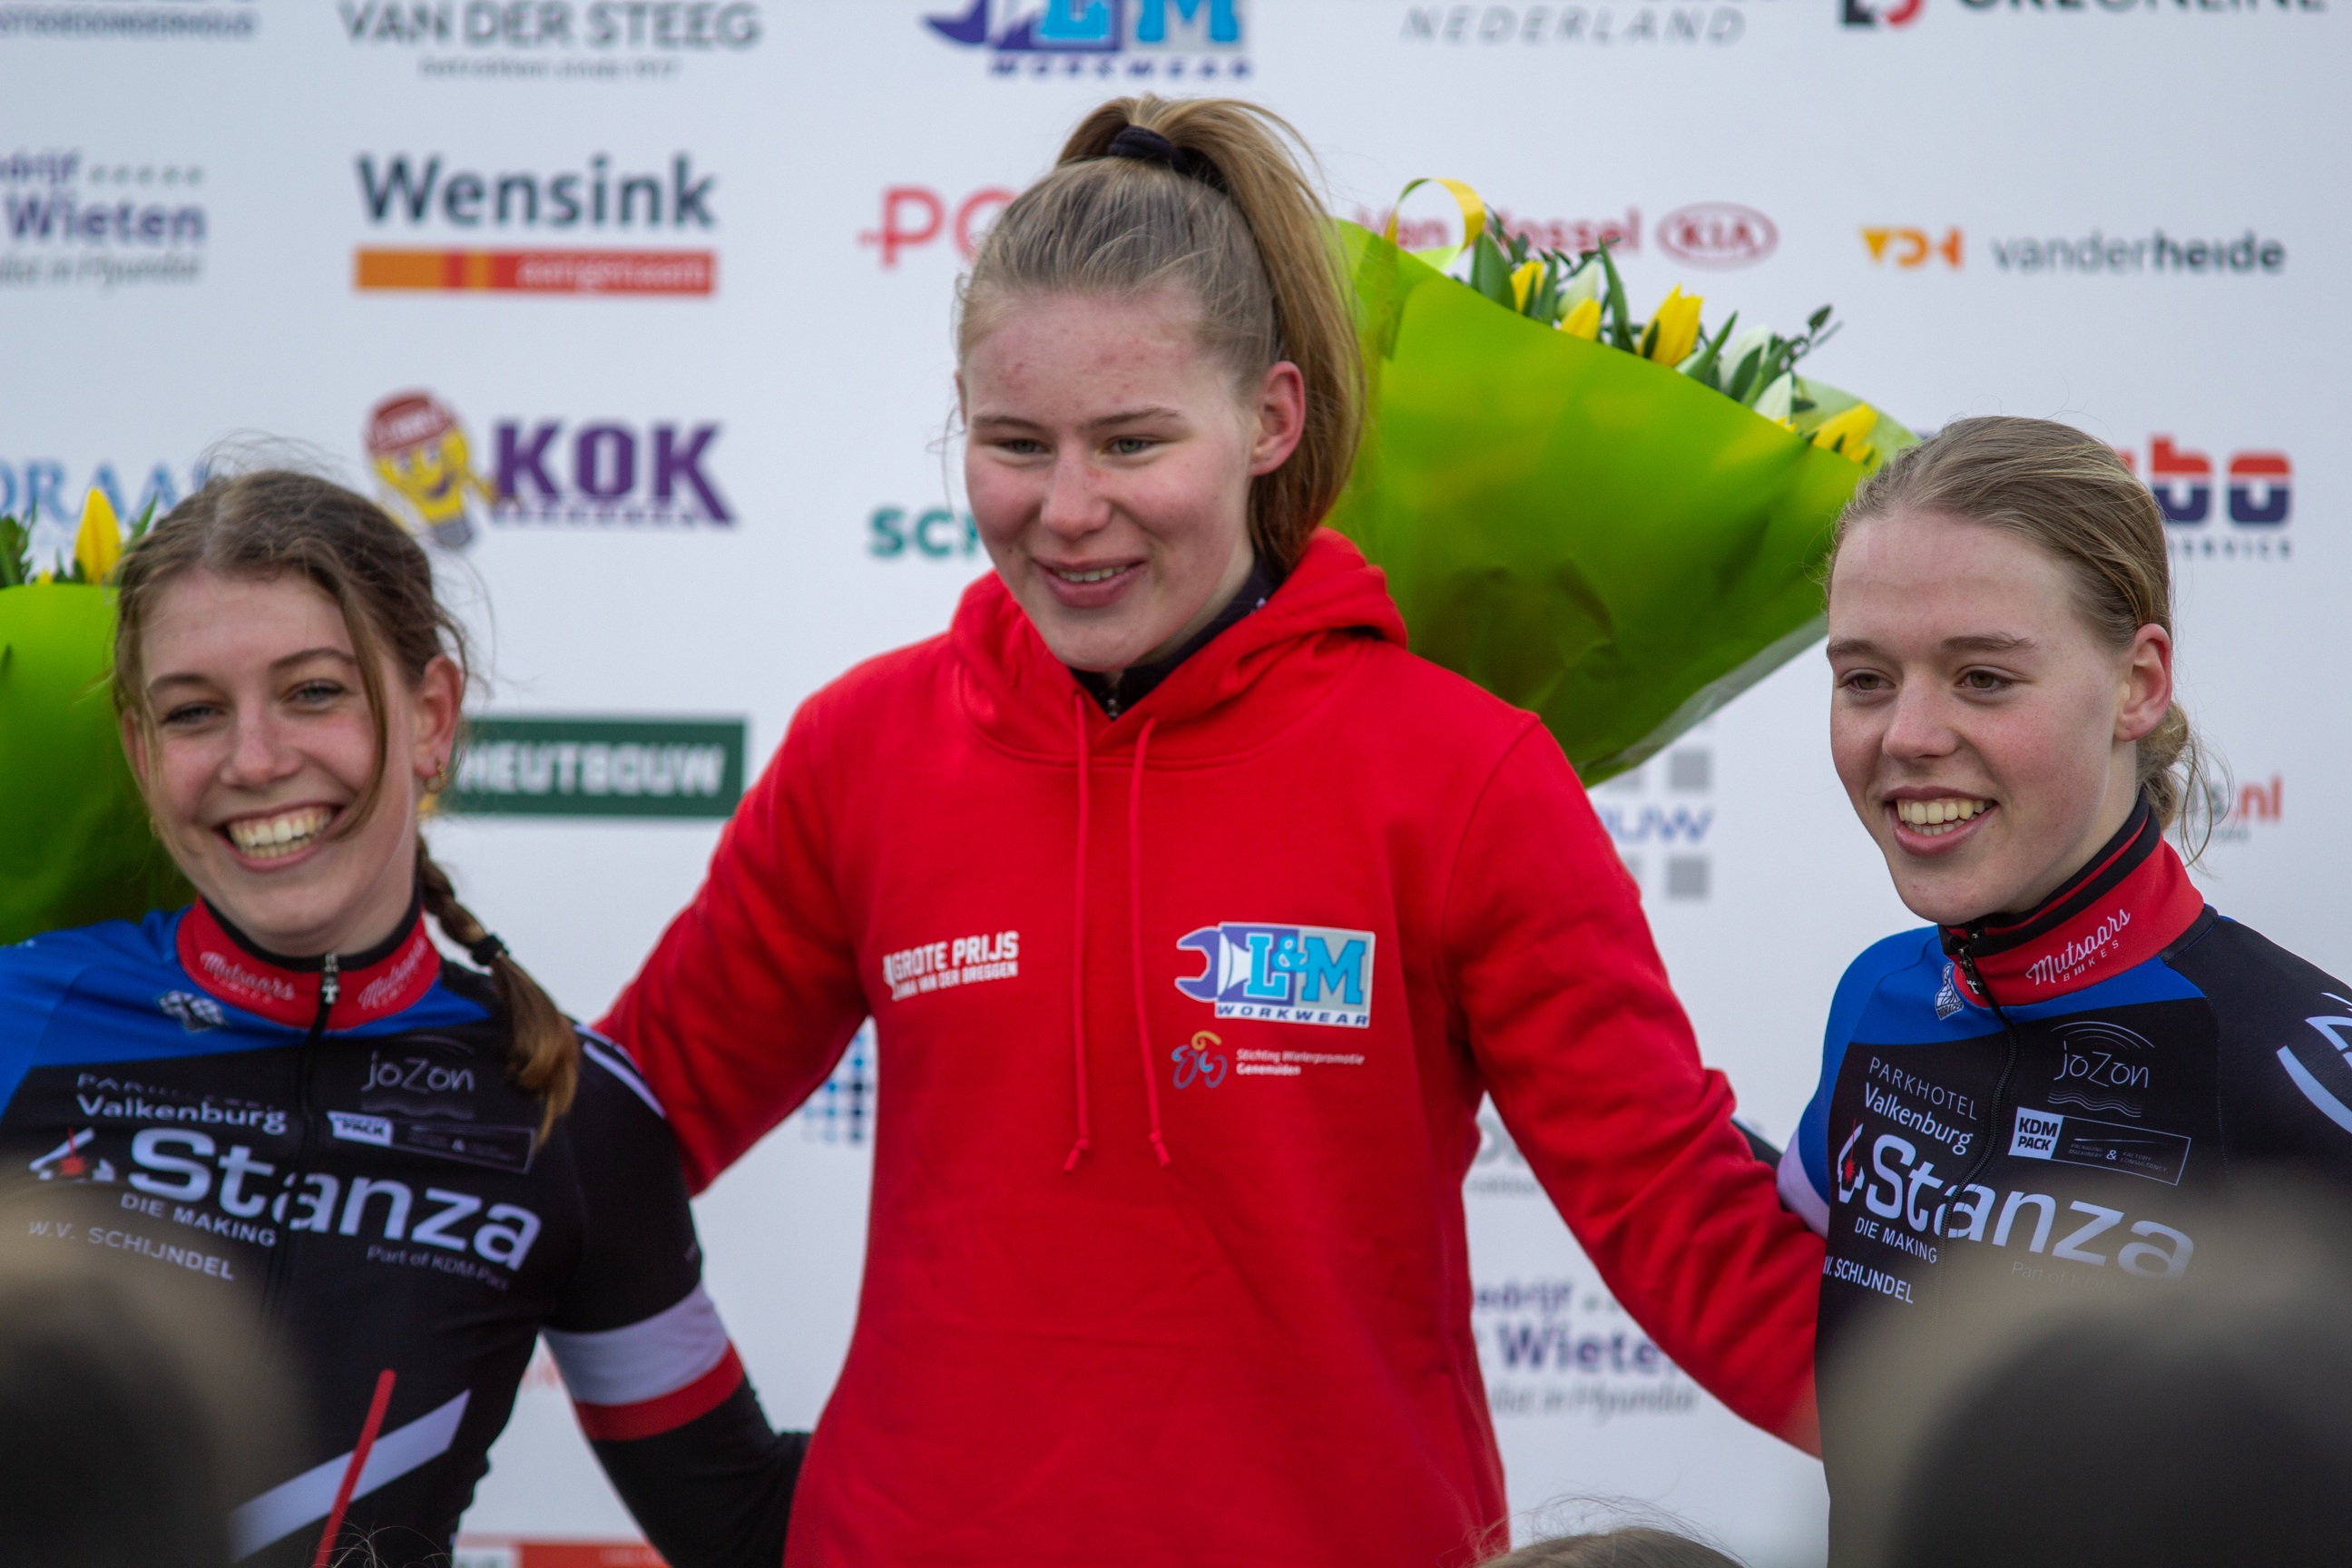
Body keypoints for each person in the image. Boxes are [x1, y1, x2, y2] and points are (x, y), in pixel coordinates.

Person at [597, 96, 1823, 1566]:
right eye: (1011, 443)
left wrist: (2021, 1433)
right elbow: (603, 1144)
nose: (1066, 510)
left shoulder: (1462, 774)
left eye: (1130, 441)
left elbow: (1681, 1220)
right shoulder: (867, 751)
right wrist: (716, 1491)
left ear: (1269, 419)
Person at [0, 470, 805, 1568]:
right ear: (144, 757)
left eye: (315, 692)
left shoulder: (568, 1110)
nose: (254, 759)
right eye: (194, 712)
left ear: (430, 718)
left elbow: (744, 1524)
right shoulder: (19, 1019)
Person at [1779, 416, 2352, 1559]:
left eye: (1984, 677)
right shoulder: (1880, 998)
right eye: (1864, 678)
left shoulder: (2297, 1068)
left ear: (2138, 682)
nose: (1910, 734)